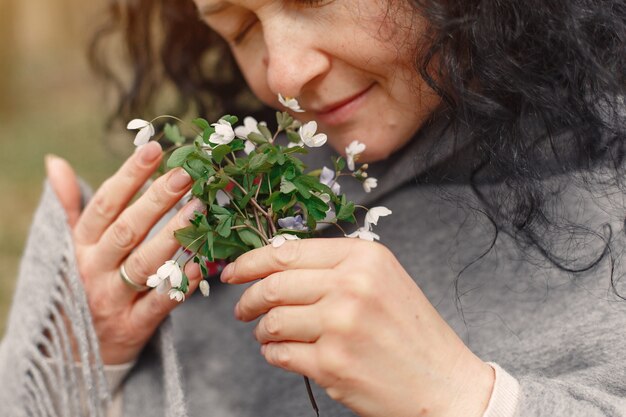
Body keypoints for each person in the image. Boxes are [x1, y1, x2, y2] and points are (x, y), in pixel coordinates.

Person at [1, 0, 625, 416]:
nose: (286, 75)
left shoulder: (607, 184)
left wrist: (468, 399)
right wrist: (81, 362)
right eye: (240, 28)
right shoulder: (227, 217)